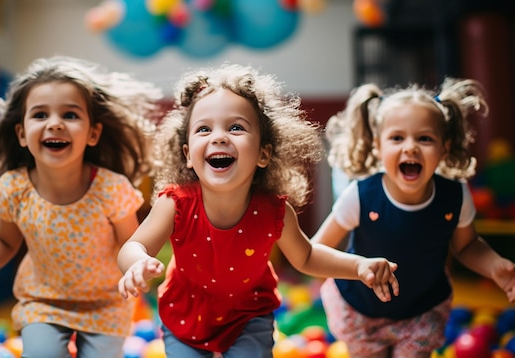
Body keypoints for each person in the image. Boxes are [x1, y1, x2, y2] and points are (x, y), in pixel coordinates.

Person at [116, 63, 400, 357]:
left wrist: (358, 266)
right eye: (203, 129)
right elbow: (134, 244)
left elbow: (307, 256)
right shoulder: (174, 204)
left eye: (236, 127)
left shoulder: (274, 212)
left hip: (248, 315)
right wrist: (136, 262)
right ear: (188, 154)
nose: (219, 137)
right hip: (185, 313)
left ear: (264, 153)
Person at [0, 56, 162, 358]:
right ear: (21, 133)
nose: (54, 123)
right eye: (40, 115)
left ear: (93, 133)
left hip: (105, 303)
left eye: (70, 115)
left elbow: (130, 243)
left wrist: (135, 266)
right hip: (44, 301)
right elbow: (3, 241)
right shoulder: (15, 188)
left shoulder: (111, 189)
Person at [312, 78, 515, 358]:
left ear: (444, 147)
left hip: (421, 311)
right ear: (378, 146)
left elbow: (466, 246)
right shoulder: (362, 196)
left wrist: (494, 265)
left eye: (424, 138)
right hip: (360, 310)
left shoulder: (454, 195)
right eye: (397, 138)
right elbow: (316, 251)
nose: (411, 147)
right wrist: (357, 267)